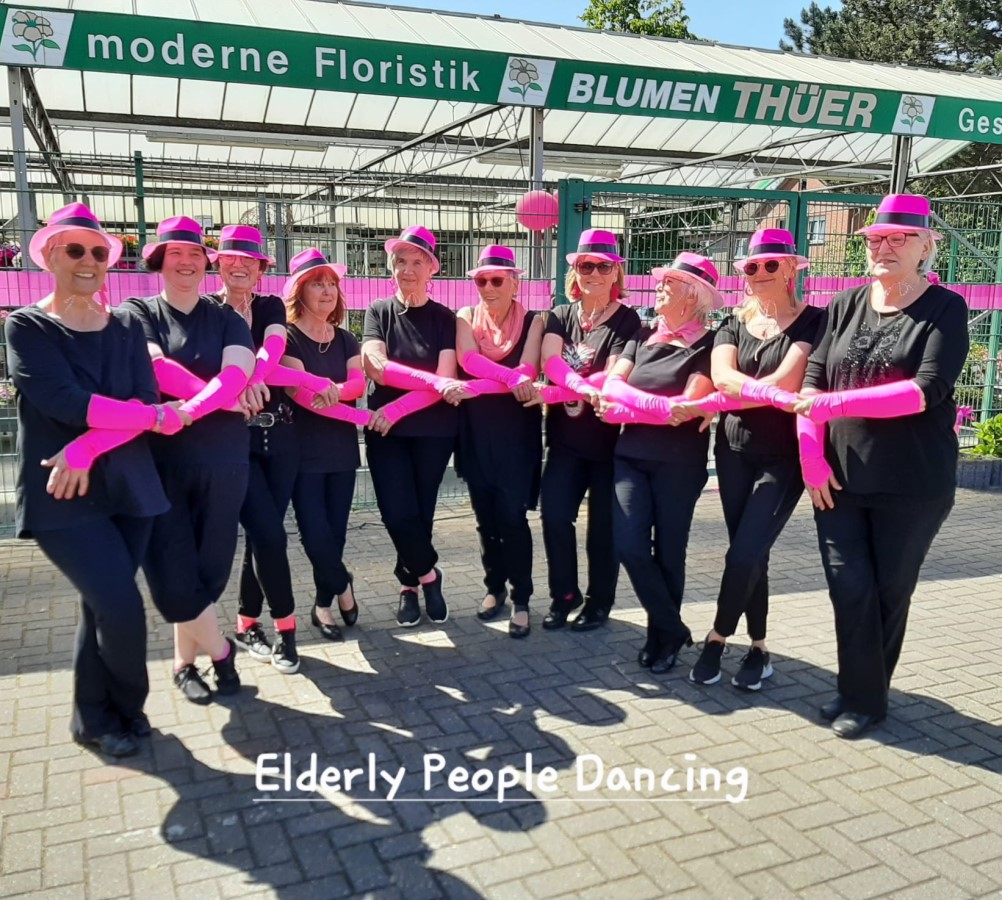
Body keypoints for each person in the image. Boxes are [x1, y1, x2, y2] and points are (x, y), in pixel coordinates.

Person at [5, 203, 179, 757]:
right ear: (49, 257)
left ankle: (97, 717)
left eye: (100, 252)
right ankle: (128, 704)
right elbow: (64, 400)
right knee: (120, 604)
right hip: (62, 493)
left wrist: (87, 445)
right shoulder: (27, 325)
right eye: (76, 250)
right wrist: (147, 418)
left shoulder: (126, 324)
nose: (90, 260)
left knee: (99, 605)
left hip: (128, 484)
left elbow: (145, 397)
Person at [793, 194, 968, 738]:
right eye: (875, 238)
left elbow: (926, 390)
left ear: (925, 245)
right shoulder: (844, 304)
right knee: (849, 588)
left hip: (912, 483)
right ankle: (863, 693)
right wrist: (810, 458)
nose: (883, 247)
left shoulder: (946, 308)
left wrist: (835, 404)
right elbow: (812, 383)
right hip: (838, 479)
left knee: (890, 592)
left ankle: (864, 698)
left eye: (898, 238)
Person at [684, 228, 826, 691]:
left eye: (770, 264)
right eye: (751, 266)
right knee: (751, 555)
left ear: (790, 269)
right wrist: (761, 395)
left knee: (743, 552)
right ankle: (760, 647)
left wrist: (746, 394)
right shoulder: (731, 324)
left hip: (783, 460)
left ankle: (717, 637)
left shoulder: (814, 321)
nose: (760, 272)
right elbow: (722, 379)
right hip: (733, 452)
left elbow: (790, 382)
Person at [123, 217, 255, 704]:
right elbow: (155, 367)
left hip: (224, 461)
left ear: (206, 263)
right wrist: (219, 402)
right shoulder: (136, 312)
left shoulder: (228, 318)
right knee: (172, 574)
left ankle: (184, 663)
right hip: (159, 464)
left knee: (210, 571)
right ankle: (221, 650)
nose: (185, 261)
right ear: (159, 260)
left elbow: (237, 373)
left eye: (195, 253)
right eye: (175, 253)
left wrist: (192, 410)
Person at [598, 253, 719, 672]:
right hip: (630, 459)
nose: (660, 286)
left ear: (694, 294)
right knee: (629, 546)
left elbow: (686, 406)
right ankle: (674, 627)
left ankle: (661, 639)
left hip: (679, 464)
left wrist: (626, 410)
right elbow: (613, 384)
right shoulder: (641, 335)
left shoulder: (710, 344)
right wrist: (652, 407)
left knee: (670, 552)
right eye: (663, 280)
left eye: (671, 282)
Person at [538, 228, 641, 632]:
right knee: (554, 516)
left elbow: (613, 375)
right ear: (575, 271)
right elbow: (551, 362)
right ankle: (564, 595)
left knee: (603, 530)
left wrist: (569, 389)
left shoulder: (627, 320)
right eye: (585, 266)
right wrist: (578, 388)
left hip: (609, 445)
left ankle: (600, 602)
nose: (594, 273)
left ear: (616, 272)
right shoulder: (560, 315)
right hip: (564, 441)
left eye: (602, 266)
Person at [211, 225, 300, 673]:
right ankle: (287, 629)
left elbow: (274, 346)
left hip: (280, 438)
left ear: (261, 268)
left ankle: (247, 622)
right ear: (218, 264)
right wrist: (239, 386)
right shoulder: (207, 312)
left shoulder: (269, 306)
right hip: (232, 441)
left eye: (249, 259)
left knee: (264, 538)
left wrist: (254, 378)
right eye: (231, 258)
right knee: (270, 534)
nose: (240, 265)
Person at [361, 226, 459, 627]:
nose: (408, 269)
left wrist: (399, 406)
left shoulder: (445, 318)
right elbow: (376, 367)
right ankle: (429, 575)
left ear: (432, 269)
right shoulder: (378, 311)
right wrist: (428, 384)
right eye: (401, 261)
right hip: (385, 431)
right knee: (395, 512)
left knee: (420, 513)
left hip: (432, 430)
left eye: (417, 262)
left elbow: (446, 378)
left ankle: (409, 587)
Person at [451, 245, 544, 637]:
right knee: (485, 520)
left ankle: (521, 598)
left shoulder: (536, 320)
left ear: (514, 283)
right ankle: (494, 589)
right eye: (481, 280)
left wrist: (511, 379)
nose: (487, 288)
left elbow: (529, 368)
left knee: (512, 518)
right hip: (475, 432)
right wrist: (509, 380)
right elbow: (468, 361)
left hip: (517, 437)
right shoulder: (465, 316)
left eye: (496, 280)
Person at [281, 249, 370, 641]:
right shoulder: (287, 337)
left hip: (342, 451)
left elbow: (358, 384)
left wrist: (331, 390)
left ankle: (321, 607)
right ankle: (342, 584)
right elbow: (297, 392)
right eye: (317, 284)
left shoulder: (346, 338)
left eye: (332, 284)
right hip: (302, 453)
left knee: (335, 535)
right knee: (315, 535)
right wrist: (335, 394)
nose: (327, 291)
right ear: (299, 291)